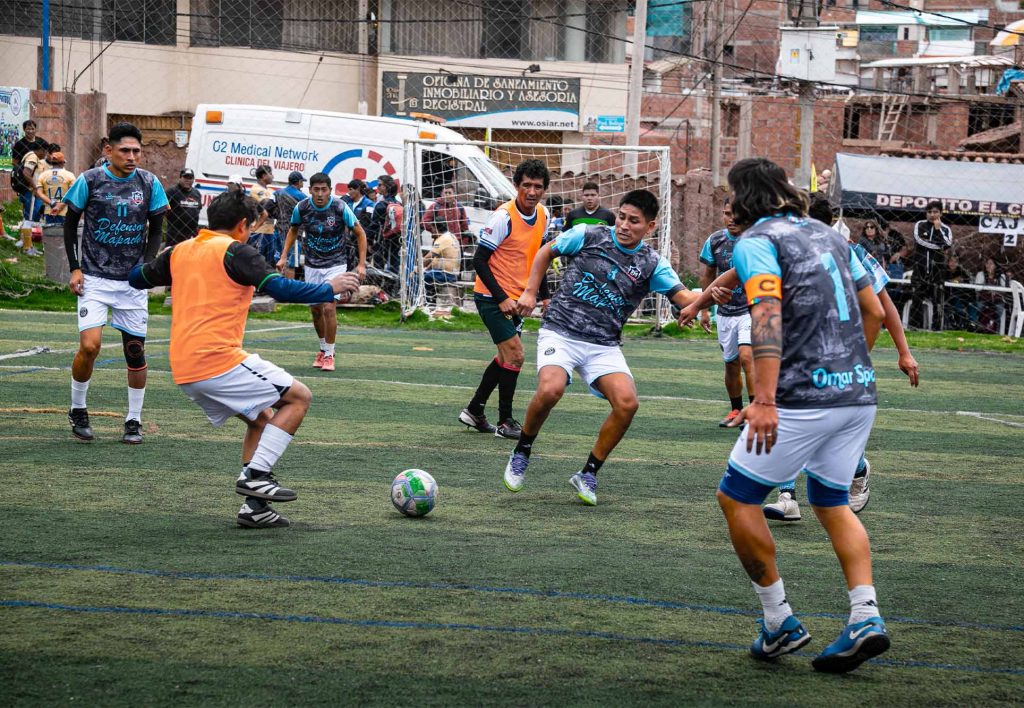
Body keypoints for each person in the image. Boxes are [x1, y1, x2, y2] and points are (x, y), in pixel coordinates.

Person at [712, 158, 889, 674]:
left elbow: (766, 316)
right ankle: (864, 616)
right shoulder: (830, 234)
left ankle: (778, 621)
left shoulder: (755, 242)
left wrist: (763, 399)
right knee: (833, 502)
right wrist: (849, 368)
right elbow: (875, 311)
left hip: (799, 398)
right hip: (858, 392)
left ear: (744, 198)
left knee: (737, 497)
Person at [128, 191, 361, 528]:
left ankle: (255, 509)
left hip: (184, 366)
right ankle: (256, 474)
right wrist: (330, 287)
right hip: (216, 360)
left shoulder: (181, 250)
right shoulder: (237, 251)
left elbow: (138, 278)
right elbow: (280, 289)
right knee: (299, 397)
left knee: (261, 420)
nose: (252, 233)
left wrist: (163, 258)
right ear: (241, 225)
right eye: (251, 228)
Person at [502, 189, 722, 505]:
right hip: (561, 331)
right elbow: (544, 253)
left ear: (650, 226)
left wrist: (709, 296)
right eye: (621, 217)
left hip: (603, 345)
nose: (623, 225)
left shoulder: (651, 263)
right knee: (550, 389)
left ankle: (588, 472)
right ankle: (522, 449)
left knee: (627, 403)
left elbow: (684, 297)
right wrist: (530, 292)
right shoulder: (587, 235)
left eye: (634, 221)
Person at [761, 198, 920, 521]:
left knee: (823, 424)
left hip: (840, 351)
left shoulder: (851, 251)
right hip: (801, 348)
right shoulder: (787, 249)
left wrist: (902, 352)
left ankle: (857, 470)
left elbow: (882, 305)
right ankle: (787, 496)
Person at [62, 122, 168, 444]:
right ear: (109, 150)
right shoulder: (89, 180)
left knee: (134, 351)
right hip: (94, 277)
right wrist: (75, 268)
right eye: (125, 150)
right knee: (90, 346)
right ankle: (78, 408)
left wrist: (147, 268)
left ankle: (133, 420)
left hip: (132, 283)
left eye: (137, 151)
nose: (132, 156)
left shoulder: (149, 183)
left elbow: (157, 228)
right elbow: (69, 226)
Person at [459, 159, 550, 440]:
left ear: (544, 189)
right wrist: (500, 299)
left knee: (504, 357)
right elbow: (479, 261)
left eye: (538, 187)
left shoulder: (544, 215)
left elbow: (540, 259)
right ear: (516, 186)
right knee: (516, 355)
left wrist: (544, 297)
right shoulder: (503, 217)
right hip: (491, 297)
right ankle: (506, 421)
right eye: (526, 186)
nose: (532, 192)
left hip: (518, 300)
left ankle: (475, 410)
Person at [278, 172, 367, 372]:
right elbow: (293, 230)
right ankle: (323, 348)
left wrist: (361, 264)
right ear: (309, 190)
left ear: (330, 191)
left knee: (328, 306)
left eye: (323, 190)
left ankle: (329, 354)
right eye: (316, 190)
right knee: (316, 309)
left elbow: (360, 233)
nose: (320, 194)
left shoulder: (339, 207)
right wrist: (284, 256)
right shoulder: (302, 208)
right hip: (312, 264)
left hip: (336, 263)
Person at [699, 201, 754, 428]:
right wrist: (704, 309)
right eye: (726, 214)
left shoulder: (754, 241)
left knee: (747, 358)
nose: (731, 219)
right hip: (724, 313)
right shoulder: (715, 241)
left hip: (750, 310)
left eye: (735, 214)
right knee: (731, 364)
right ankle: (736, 410)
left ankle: (754, 412)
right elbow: (708, 274)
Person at [910, 201, 952, 329]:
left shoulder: (945, 229)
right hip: (920, 268)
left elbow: (947, 244)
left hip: (937, 270)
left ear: (941, 213)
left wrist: (938, 230)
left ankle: (936, 328)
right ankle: (914, 327)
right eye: (929, 212)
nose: (932, 214)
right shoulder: (920, 225)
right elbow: (919, 240)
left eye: (935, 212)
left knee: (938, 300)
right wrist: (938, 246)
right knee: (916, 299)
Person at [33, 151, 76, 255]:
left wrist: (52, 203)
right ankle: (63, 253)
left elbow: (39, 193)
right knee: (64, 234)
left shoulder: (43, 175)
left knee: (50, 232)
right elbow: (72, 193)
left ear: (51, 163)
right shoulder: (69, 175)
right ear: (62, 163)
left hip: (49, 210)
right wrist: (61, 205)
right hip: (64, 211)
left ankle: (50, 252)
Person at [268, 171, 306, 275]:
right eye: (302, 182)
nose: (302, 184)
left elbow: (268, 207)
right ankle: (289, 289)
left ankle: (278, 287)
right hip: (293, 234)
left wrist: (279, 216)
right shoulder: (302, 197)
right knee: (291, 265)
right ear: (298, 182)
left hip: (278, 231)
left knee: (279, 261)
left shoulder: (277, 193)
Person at [17, 139, 49, 255]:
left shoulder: (31, 155)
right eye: (45, 152)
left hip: (29, 191)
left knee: (29, 218)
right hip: (30, 192)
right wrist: (35, 187)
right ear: (41, 149)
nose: (45, 155)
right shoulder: (32, 157)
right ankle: (27, 247)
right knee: (29, 220)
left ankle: (28, 244)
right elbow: (26, 173)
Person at [422, 215, 462, 304]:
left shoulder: (442, 239)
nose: (431, 231)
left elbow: (428, 258)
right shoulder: (451, 236)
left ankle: (427, 302)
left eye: (432, 228)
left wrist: (417, 267)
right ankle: (431, 300)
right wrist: (425, 269)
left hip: (446, 274)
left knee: (420, 278)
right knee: (427, 274)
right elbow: (434, 261)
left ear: (436, 228)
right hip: (452, 273)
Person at [369, 177, 403, 272]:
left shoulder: (381, 205)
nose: (377, 187)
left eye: (380, 185)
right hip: (397, 240)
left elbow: (374, 226)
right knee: (394, 265)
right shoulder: (399, 204)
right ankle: (394, 286)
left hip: (382, 241)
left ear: (386, 187)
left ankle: (381, 286)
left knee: (379, 268)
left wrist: (369, 241)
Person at [164, 168, 202, 247]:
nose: (188, 180)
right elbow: (163, 210)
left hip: (191, 235)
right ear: (180, 178)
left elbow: (198, 209)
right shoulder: (171, 192)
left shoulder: (197, 193)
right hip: (174, 235)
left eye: (190, 178)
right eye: (185, 177)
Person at [975, 257, 1009, 334]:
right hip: (984, 299)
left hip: (997, 300)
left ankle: (992, 327)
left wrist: (996, 290)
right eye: (987, 263)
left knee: (998, 310)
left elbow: (1004, 289)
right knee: (981, 307)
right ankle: (983, 327)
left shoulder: (1001, 276)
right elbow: (977, 289)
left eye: (991, 263)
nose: (988, 265)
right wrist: (987, 283)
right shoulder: (981, 274)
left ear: (995, 266)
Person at [248, 165, 276, 255]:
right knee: (255, 259)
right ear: (264, 176)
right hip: (258, 230)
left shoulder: (271, 190)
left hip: (269, 230)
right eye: (270, 174)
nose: (272, 176)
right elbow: (266, 205)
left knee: (268, 262)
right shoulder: (255, 189)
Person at [942, 253, 973, 331]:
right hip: (945, 296)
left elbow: (968, 282)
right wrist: (953, 280)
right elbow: (942, 281)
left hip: (960, 296)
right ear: (948, 262)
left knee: (970, 304)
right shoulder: (943, 270)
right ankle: (959, 323)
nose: (953, 263)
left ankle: (970, 324)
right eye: (951, 261)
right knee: (957, 305)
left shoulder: (962, 272)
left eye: (955, 262)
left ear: (958, 263)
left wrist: (962, 280)